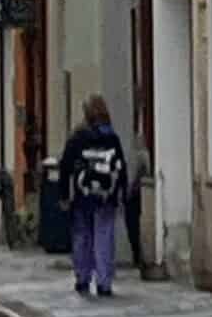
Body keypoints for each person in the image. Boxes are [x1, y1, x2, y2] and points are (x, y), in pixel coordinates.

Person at [56, 94, 129, 297]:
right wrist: (122, 193)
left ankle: (82, 278)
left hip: (83, 196)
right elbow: (120, 167)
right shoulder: (112, 137)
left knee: (82, 236)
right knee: (104, 237)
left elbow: (65, 167)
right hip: (106, 196)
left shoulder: (78, 137)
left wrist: (63, 195)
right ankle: (104, 282)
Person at [122, 135, 152, 279]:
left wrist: (129, 190)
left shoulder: (142, 155)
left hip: (135, 196)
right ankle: (137, 256)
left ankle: (138, 256)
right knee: (132, 226)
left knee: (133, 226)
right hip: (133, 195)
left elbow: (139, 175)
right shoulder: (135, 155)